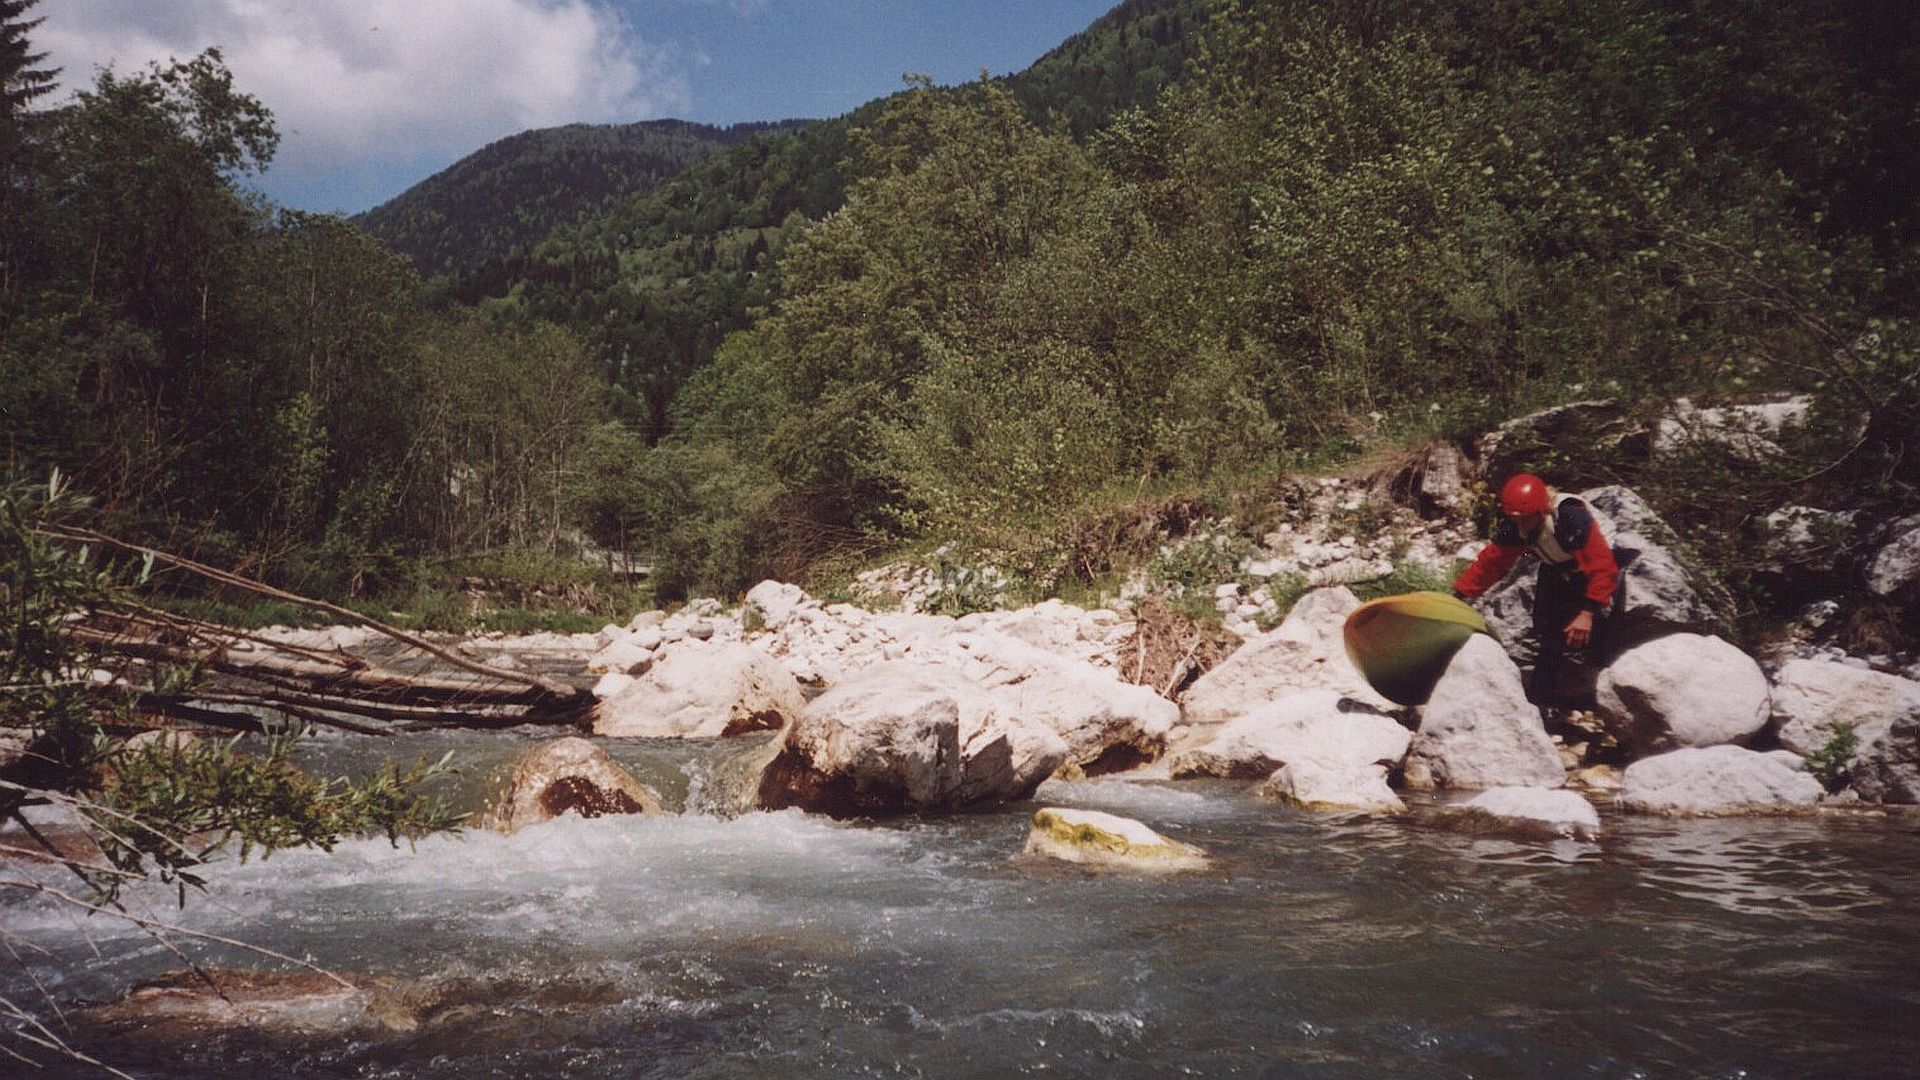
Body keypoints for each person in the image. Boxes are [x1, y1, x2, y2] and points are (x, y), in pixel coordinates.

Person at [1452, 473, 1620, 707]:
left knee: (1593, 629)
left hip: (1602, 562)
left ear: (1542, 510)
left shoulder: (1570, 517)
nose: (1519, 524)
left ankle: (1594, 690)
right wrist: (1460, 596)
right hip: (1559, 566)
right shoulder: (1518, 524)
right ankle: (1541, 701)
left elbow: (1602, 566)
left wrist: (1587, 613)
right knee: (1547, 632)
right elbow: (1492, 562)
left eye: (1524, 518)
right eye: (1514, 518)